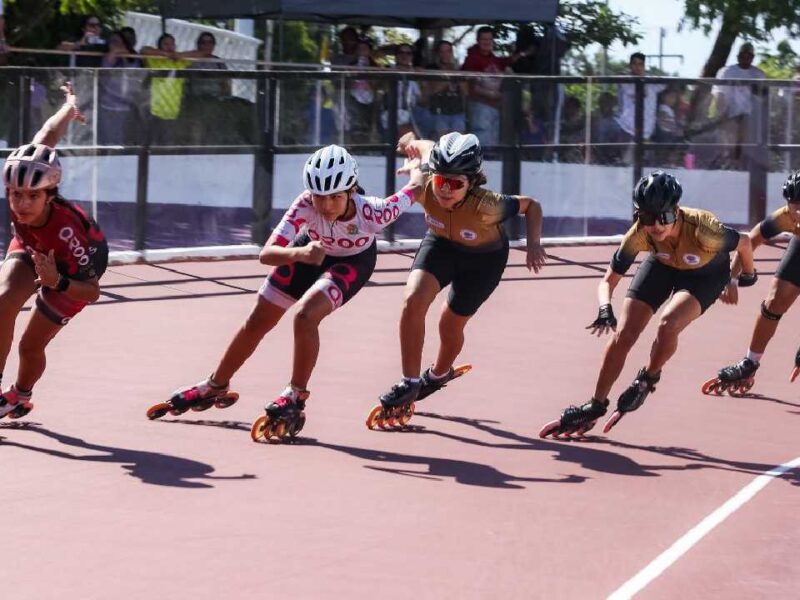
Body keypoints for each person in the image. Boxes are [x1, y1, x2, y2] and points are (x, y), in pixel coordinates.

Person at [153, 145, 420, 440]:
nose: (327, 205)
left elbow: (416, 189)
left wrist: (418, 163)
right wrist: (302, 252)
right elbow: (267, 254)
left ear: (351, 190)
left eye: (335, 197)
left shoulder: (373, 211)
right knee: (257, 319)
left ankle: (295, 395)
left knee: (305, 317)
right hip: (308, 252)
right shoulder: (306, 204)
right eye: (320, 196)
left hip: (352, 262)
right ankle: (216, 384)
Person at [539, 171, 756, 437]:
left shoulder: (704, 230)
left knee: (668, 324)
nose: (656, 226)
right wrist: (605, 308)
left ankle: (648, 378)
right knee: (624, 334)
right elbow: (608, 281)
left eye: (662, 217)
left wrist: (741, 277)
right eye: (646, 217)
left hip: (706, 273)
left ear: (676, 211)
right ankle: (595, 405)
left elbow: (744, 242)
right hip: (662, 263)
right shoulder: (640, 234)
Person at [373, 131, 546, 419]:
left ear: (473, 182)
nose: (445, 190)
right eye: (442, 181)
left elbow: (532, 205)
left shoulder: (487, 205)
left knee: (449, 325)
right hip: (441, 245)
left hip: (483, 261)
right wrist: (407, 143)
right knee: (413, 300)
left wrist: (534, 244)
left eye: (456, 184)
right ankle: (410, 381)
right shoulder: (426, 183)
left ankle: (438, 375)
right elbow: (423, 146)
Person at [0, 82, 108, 419]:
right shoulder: (29, 178)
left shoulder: (65, 229)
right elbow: (47, 135)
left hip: (73, 269)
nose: (21, 203)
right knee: (3, 299)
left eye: (32, 196)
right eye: (15, 194)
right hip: (34, 244)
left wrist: (56, 281)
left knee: (30, 345)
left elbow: (92, 292)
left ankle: (19, 395)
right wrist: (70, 105)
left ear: (50, 193)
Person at [704, 170, 800, 394]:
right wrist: (732, 280)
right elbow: (750, 240)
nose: (798, 210)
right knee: (774, 301)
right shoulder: (785, 217)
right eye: (794, 204)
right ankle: (750, 363)